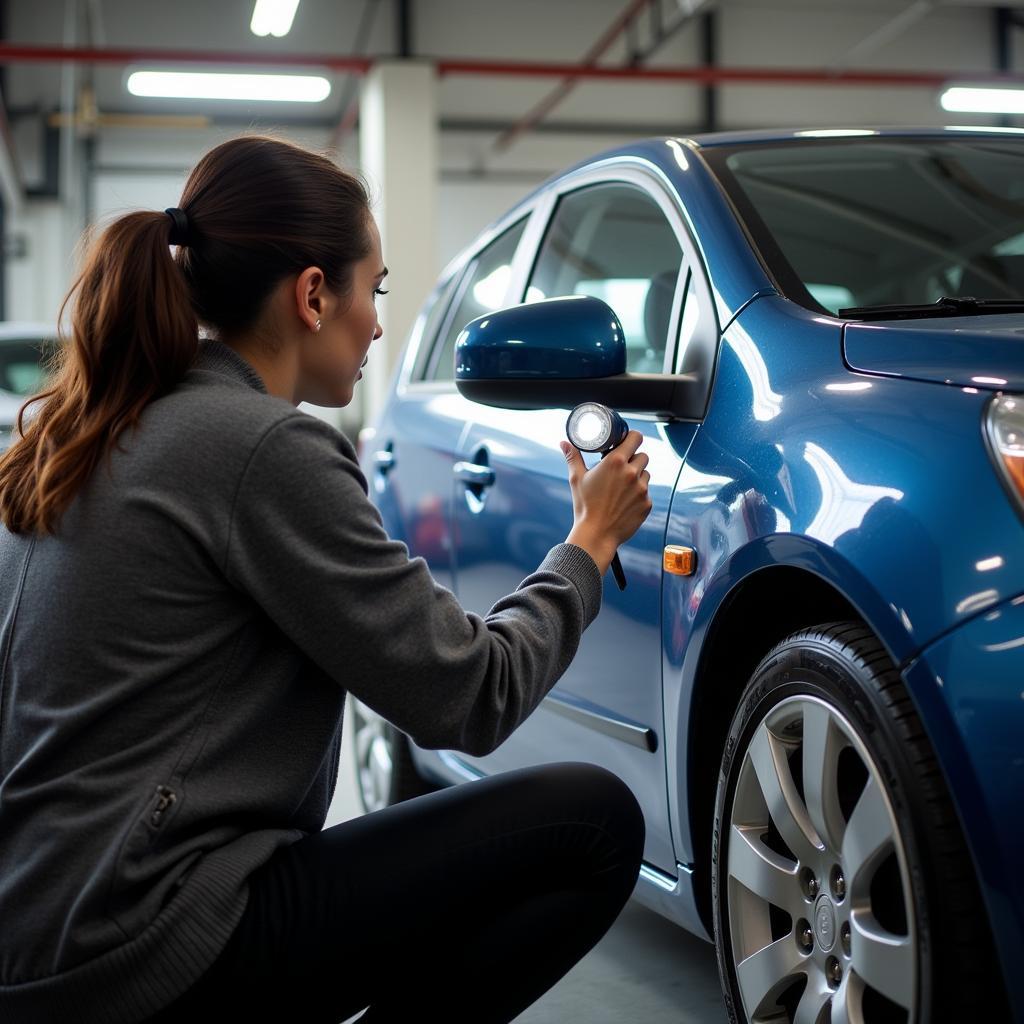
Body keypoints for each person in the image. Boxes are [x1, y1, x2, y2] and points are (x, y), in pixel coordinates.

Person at [0, 135, 653, 1024]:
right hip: (143, 939)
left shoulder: (99, 430)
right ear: (314, 295)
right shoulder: (262, 446)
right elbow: (470, 694)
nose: (379, 324)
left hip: (40, 934)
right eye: (374, 290)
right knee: (592, 823)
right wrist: (589, 544)